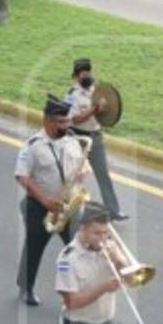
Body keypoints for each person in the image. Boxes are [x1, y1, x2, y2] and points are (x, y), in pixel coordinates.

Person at [15, 94, 86, 306]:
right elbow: (22, 177)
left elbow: (83, 167)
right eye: (61, 121)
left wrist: (80, 178)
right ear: (47, 120)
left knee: (76, 250)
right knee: (35, 247)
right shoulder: (32, 146)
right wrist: (45, 200)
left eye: (67, 120)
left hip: (69, 206)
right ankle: (26, 287)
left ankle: (74, 292)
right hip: (41, 206)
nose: (66, 125)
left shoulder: (72, 142)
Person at [65, 58, 126, 220]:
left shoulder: (98, 91)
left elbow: (107, 113)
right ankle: (69, 208)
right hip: (78, 137)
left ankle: (114, 210)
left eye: (89, 72)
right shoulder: (72, 95)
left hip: (96, 136)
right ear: (76, 76)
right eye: (84, 74)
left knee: (103, 174)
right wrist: (94, 109)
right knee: (75, 176)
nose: (87, 76)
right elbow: (76, 119)